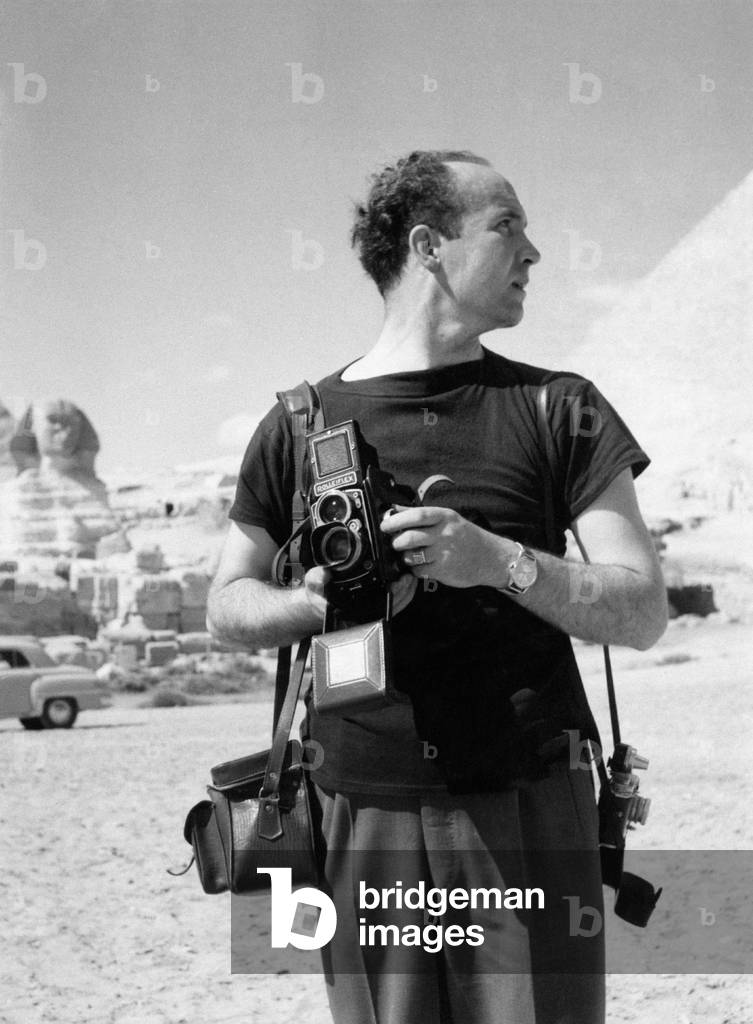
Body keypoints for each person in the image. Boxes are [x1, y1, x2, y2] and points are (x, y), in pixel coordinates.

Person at [207, 150, 668, 1024]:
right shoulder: (297, 425)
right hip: (360, 811)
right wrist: (314, 602)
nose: (534, 252)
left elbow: (642, 610)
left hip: (528, 800)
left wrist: (496, 561)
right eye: (507, 226)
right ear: (427, 245)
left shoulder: (559, 408)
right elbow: (226, 604)